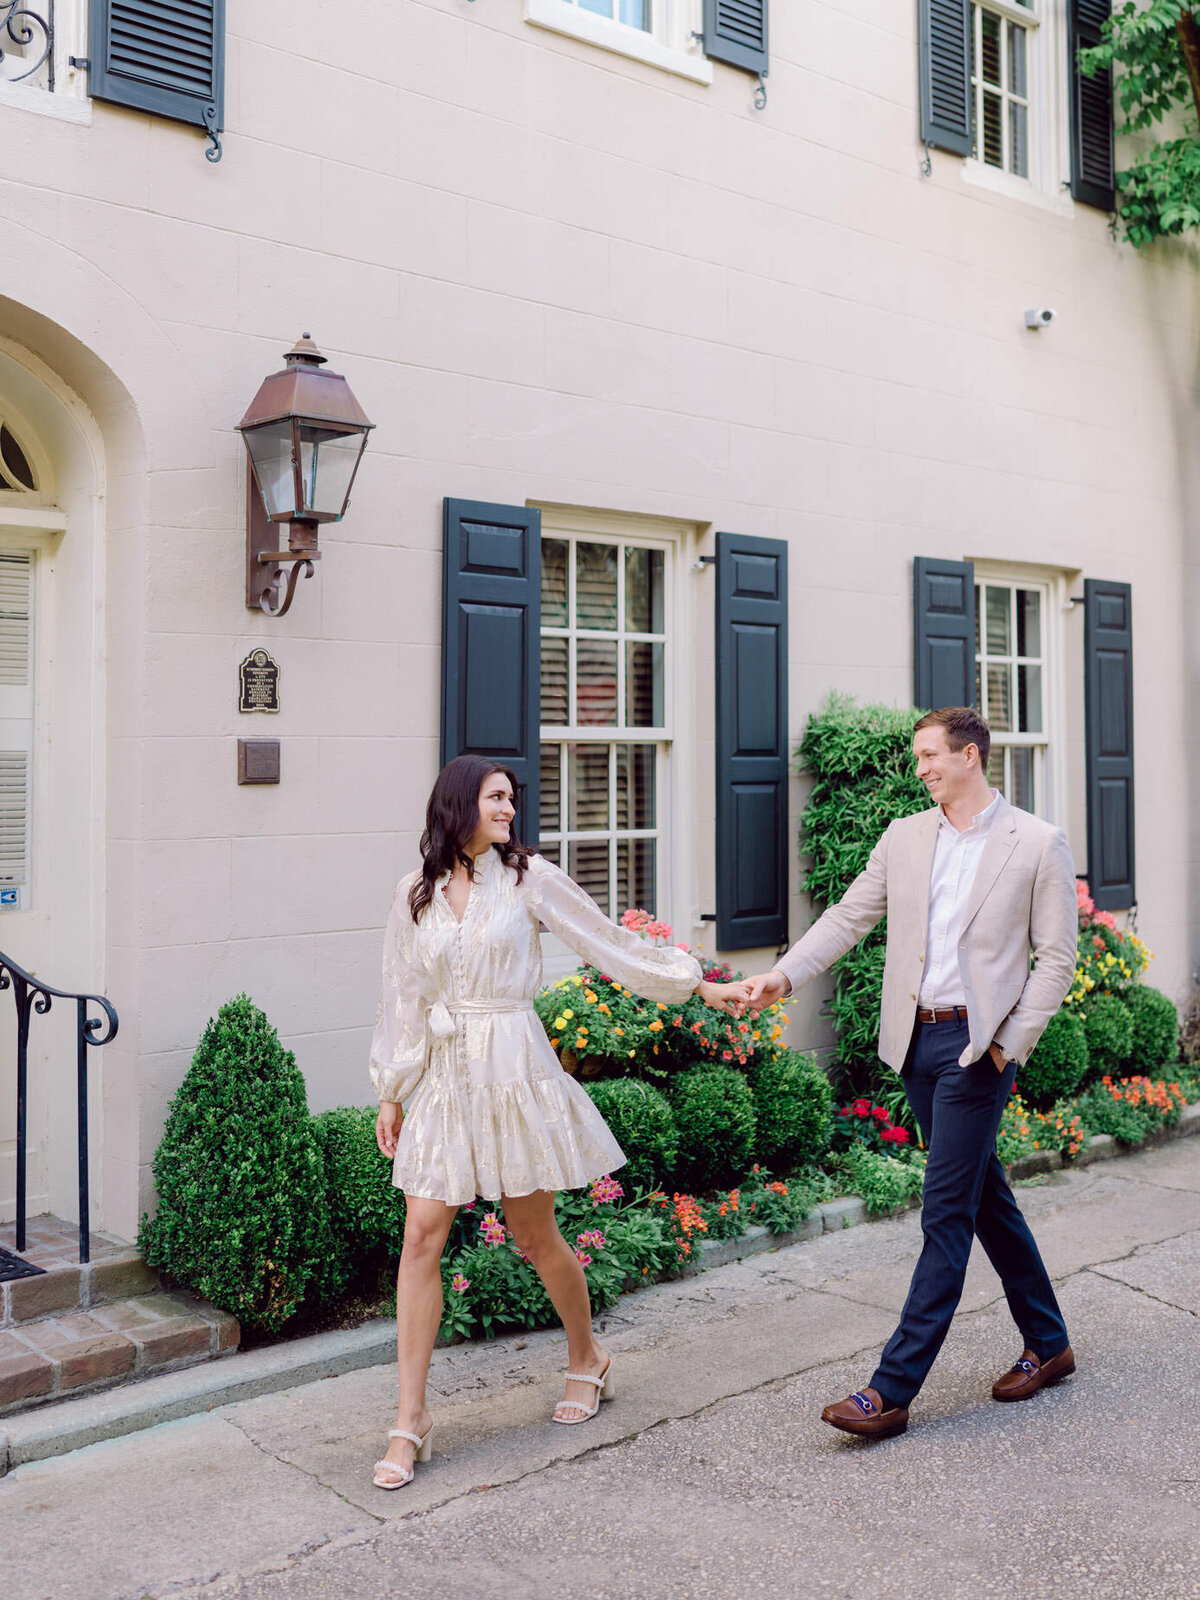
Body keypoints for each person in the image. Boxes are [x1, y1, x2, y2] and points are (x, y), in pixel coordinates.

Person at [369, 753, 750, 1488]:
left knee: (533, 1234)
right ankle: (408, 1418)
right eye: (496, 798)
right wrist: (393, 1087)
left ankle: (588, 1357)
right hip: (447, 1079)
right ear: (458, 805)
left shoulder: (527, 880)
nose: (510, 810)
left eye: (511, 799)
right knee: (421, 1235)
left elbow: (605, 941)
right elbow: (401, 994)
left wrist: (696, 984)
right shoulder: (412, 895)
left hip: (513, 1066)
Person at [746, 706, 1078, 1438]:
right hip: (916, 1043)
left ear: (970, 756)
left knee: (945, 1213)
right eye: (918, 757)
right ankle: (1049, 1344)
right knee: (983, 1194)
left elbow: (1056, 959)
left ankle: (891, 1391)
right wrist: (784, 976)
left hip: (976, 1048)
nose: (921, 768)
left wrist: (1007, 1043)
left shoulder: (1036, 843)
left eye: (931, 756)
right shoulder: (905, 836)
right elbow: (847, 916)